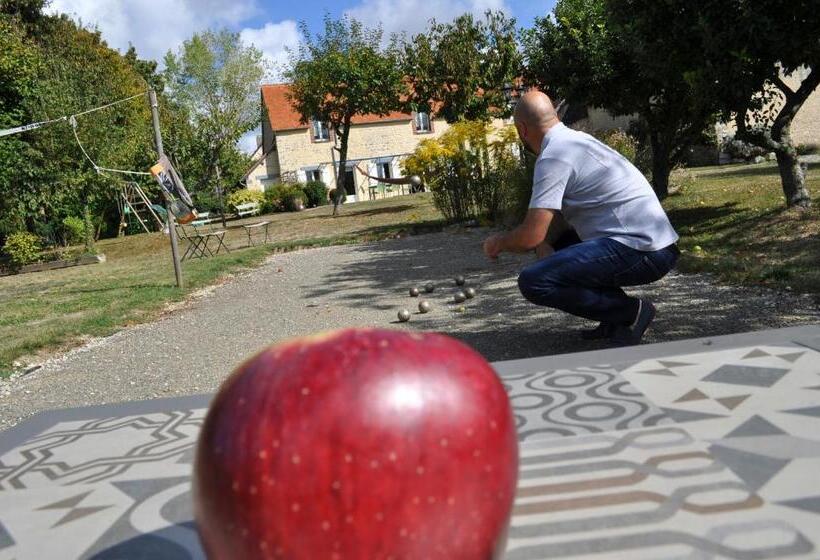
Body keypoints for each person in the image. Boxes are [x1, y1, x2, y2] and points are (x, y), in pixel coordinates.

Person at [483, 91, 680, 345]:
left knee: (535, 280)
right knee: (560, 244)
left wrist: (498, 242)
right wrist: (546, 244)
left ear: (522, 129)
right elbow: (548, 226)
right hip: (655, 244)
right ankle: (613, 318)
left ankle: (630, 313)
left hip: (644, 251)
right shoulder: (575, 141)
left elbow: (529, 237)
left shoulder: (553, 155)